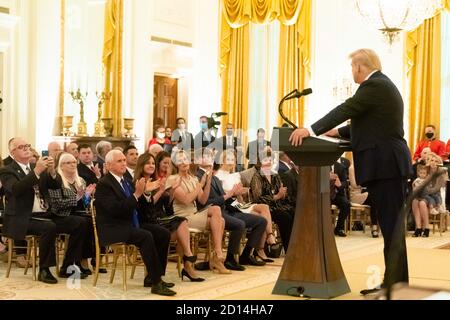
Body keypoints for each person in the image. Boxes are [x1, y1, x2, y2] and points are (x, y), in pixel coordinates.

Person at [289, 48, 413, 290]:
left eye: (352, 68)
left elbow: (346, 109)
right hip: (388, 164)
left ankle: (396, 285)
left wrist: (311, 130)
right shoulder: (382, 85)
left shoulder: (373, 86)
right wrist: (337, 132)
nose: (352, 72)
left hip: (386, 165)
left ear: (359, 67)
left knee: (391, 228)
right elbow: (371, 123)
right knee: (391, 227)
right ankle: (395, 283)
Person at [94, 150, 176, 296]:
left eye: (124, 160)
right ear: (108, 165)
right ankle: (156, 283)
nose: (124, 163)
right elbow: (115, 210)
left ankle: (154, 276)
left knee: (162, 233)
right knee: (145, 236)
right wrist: (137, 194)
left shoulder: (125, 180)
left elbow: (141, 206)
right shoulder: (104, 184)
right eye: (119, 161)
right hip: (113, 227)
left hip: (129, 223)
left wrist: (146, 193)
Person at [134, 153, 204, 282]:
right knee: (181, 228)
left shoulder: (156, 181)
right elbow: (145, 207)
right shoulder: (139, 182)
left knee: (183, 224)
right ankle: (187, 261)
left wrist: (171, 193)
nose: (151, 166)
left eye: (152, 163)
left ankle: (187, 261)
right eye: (148, 163)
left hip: (160, 217)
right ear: (141, 165)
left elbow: (167, 206)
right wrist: (161, 191)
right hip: (146, 220)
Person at [411, 154, 448, 237]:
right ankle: (418, 228)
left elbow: (434, 190)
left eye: (436, 161)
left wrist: (423, 188)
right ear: (428, 162)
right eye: (432, 160)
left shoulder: (440, 174)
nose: (433, 163)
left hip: (434, 197)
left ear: (439, 163)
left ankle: (427, 228)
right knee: (414, 201)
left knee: (422, 203)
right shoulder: (425, 171)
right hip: (423, 195)